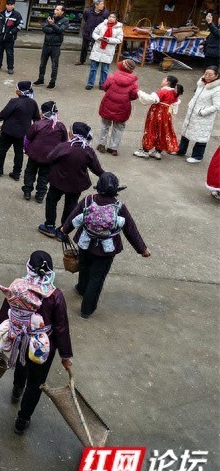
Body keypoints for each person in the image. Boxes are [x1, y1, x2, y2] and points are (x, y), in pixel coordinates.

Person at [0, 251, 73, 434]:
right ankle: (22, 420)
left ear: (29, 267)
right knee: (36, 381)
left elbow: (6, 306)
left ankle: (17, 389)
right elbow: (61, 327)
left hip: (21, 338)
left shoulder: (18, 287)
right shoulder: (55, 295)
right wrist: (65, 355)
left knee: (22, 363)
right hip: (43, 347)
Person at [61, 173, 149, 318]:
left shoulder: (88, 200)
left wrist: (65, 229)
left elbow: (73, 216)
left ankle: (81, 288)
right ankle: (86, 310)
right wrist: (142, 249)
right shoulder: (119, 207)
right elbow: (130, 229)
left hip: (85, 242)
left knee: (84, 267)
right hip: (106, 249)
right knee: (97, 277)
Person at [39, 122, 103, 238]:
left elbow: (50, 158)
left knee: (51, 200)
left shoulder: (64, 146)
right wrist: (105, 176)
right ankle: (63, 230)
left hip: (58, 181)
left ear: (73, 134)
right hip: (76, 185)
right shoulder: (88, 151)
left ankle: (49, 225)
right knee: (71, 205)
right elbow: (97, 169)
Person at [0, 80, 40, 180]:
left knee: (2, 149)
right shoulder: (33, 103)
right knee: (19, 152)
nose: (16, 90)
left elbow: (4, 113)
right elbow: (36, 118)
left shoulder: (14, 101)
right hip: (23, 133)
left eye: (17, 88)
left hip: (8, 131)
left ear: (20, 91)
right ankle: (16, 173)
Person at [22, 101, 67, 202]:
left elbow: (27, 138)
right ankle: (40, 195)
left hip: (34, 154)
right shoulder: (61, 126)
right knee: (44, 176)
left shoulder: (38, 124)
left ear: (43, 112)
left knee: (30, 172)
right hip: (50, 157)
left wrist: (26, 149)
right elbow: (65, 142)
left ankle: (27, 191)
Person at [133, 75, 183, 159]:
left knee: (151, 130)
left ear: (167, 83)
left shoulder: (163, 92)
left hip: (156, 113)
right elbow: (175, 105)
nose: (162, 80)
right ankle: (158, 151)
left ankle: (145, 151)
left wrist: (140, 92)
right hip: (166, 115)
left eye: (164, 79)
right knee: (162, 131)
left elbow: (151, 99)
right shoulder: (174, 93)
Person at [96, 59, 140, 156]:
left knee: (105, 125)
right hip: (123, 108)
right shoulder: (133, 83)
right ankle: (113, 148)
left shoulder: (112, 77)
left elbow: (105, 87)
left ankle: (102, 144)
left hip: (108, 105)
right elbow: (134, 95)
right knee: (119, 127)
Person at [176, 67, 220, 163]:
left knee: (201, 137)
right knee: (186, 132)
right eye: (206, 73)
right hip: (192, 113)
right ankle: (181, 150)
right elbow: (195, 96)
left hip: (204, 117)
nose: (207, 76)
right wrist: (190, 104)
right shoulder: (201, 83)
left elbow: (217, 105)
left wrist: (203, 112)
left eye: (210, 74)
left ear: (216, 76)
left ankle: (197, 156)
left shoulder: (217, 89)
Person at [87, 12, 123, 90]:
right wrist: (99, 38)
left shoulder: (119, 28)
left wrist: (108, 40)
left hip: (108, 50)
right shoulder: (102, 24)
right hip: (98, 48)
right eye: (110, 16)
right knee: (93, 68)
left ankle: (102, 84)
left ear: (116, 19)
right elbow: (94, 33)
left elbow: (119, 40)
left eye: (113, 17)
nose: (111, 18)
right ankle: (90, 83)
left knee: (105, 69)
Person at [35, 5, 67, 89]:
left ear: (62, 12)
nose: (55, 11)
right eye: (55, 9)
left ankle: (52, 82)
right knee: (42, 64)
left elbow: (60, 31)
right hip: (46, 45)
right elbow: (44, 28)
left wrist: (52, 24)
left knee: (54, 66)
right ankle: (41, 79)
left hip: (56, 47)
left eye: (57, 9)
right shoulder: (50, 18)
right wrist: (54, 29)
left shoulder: (65, 20)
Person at [0, 0, 22, 74]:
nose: (9, 6)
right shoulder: (1, 13)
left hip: (9, 38)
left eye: (11, 5)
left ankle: (10, 68)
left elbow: (20, 25)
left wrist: (11, 32)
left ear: (13, 6)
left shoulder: (17, 15)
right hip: (0, 37)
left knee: (9, 53)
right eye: (8, 5)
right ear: (6, 5)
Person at [77, 0, 108, 65]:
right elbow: (85, 18)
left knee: (95, 47)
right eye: (101, 4)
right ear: (96, 5)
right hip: (87, 31)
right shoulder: (88, 11)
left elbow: (106, 23)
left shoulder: (105, 13)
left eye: (103, 4)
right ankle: (82, 60)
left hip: (98, 33)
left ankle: (94, 61)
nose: (103, 5)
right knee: (84, 47)